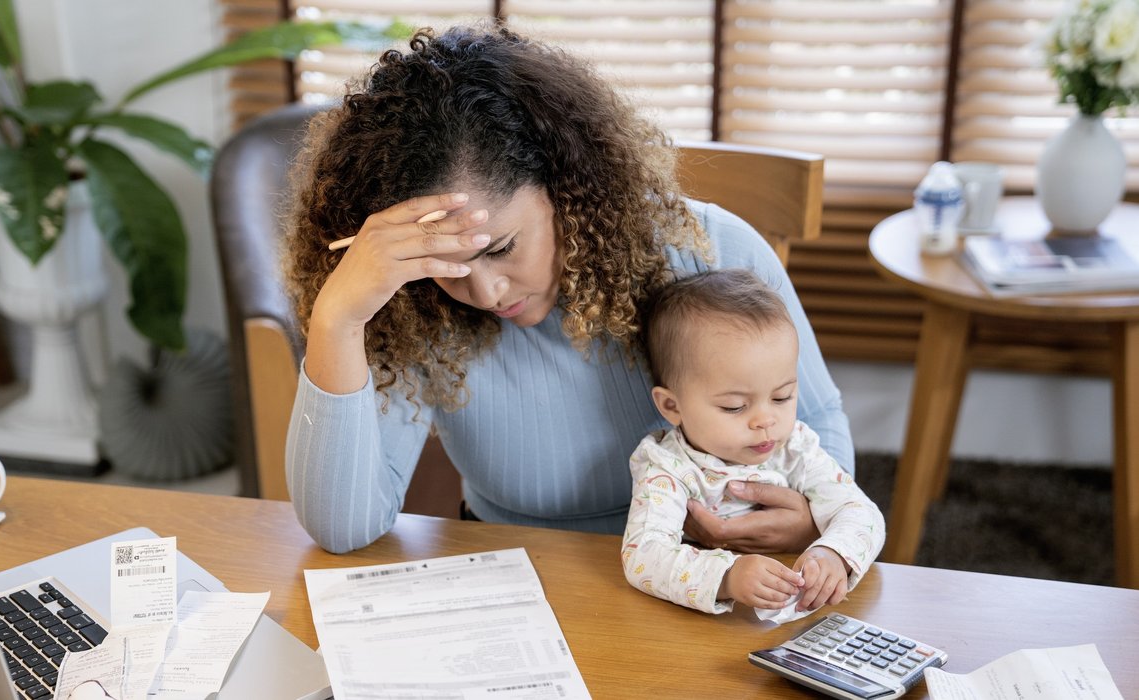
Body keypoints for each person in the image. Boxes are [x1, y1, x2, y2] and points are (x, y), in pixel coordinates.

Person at [282, 23, 855, 554]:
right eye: (442, 263)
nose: (483, 292)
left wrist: (814, 517)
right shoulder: (409, 302)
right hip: (519, 570)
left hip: (705, 571)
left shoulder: (714, 250)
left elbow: (818, 427)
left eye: (501, 248)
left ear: (566, 188)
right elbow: (343, 529)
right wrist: (339, 318)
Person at [622, 269, 884, 616]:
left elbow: (862, 513)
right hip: (697, 618)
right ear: (672, 406)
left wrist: (832, 552)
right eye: (735, 406)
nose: (766, 421)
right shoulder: (667, 466)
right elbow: (643, 554)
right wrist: (727, 577)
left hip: (796, 609)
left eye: (782, 397)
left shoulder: (794, 448)